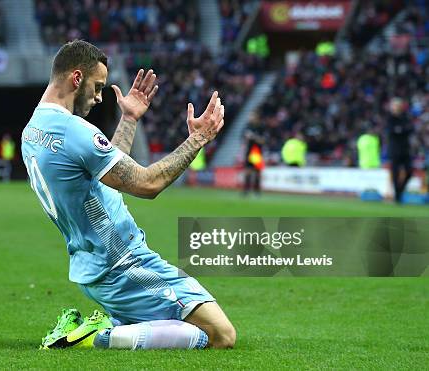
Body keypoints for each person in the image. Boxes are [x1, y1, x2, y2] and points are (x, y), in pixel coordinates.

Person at [21, 40, 233, 350]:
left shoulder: (33, 130)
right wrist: (198, 138)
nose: (98, 97)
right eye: (97, 86)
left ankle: (101, 328)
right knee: (221, 335)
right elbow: (148, 184)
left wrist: (129, 119)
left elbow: (104, 176)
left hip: (91, 265)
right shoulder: (74, 130)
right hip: (123, 264)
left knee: (182, 326)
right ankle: (99, 336)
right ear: (76, 78)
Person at [387, 97, 413, 203]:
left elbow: (409, 129)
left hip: (405, 149)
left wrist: (401, 130)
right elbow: (394, 131)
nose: (397, 107)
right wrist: (402, 130)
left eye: (399, 105)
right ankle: (397, 195)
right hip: (394, 149)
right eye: (395, 105)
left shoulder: (405, 117)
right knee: (395, 172)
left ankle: (400, 191)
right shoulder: (390, 118)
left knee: (409, 172)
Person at [242, 112, 265, 196]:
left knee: (257, 172)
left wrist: (253, 137)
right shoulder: (248, 126)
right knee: (247, 171)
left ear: (256, 117)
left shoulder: (261, 127)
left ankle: (256, 191)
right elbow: (243, 138)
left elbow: (263, 141)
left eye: (252, 116)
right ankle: (246, 190)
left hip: (256, 152)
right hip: (249, 151)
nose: (250, 118)